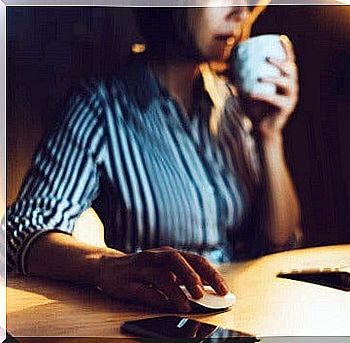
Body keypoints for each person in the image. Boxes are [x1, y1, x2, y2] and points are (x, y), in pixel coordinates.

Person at [6, 3, 302, 313]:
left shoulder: (233, 106)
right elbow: (21, 233)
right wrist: (109, 266)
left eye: (249, 2)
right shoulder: (103, 107)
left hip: (250, 316)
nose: (241, 11)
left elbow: (279, 240)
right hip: (164, 322)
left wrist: (269, 134)